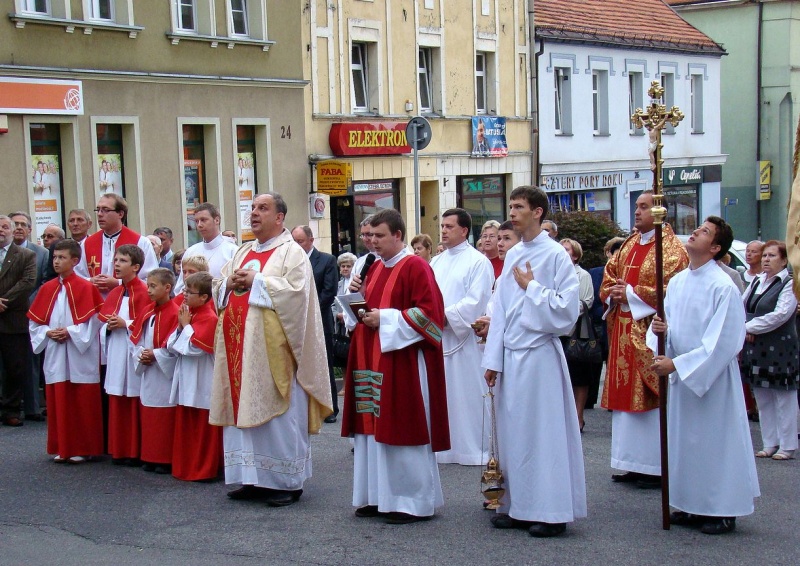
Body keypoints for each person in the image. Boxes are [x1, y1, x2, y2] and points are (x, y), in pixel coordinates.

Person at [211, 193, 332, 507]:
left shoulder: (292, 253)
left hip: (273, 352)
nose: (254, 214)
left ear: (280, 217)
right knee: (243, 411)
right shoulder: (242, 250)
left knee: (279, 415)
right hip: (241, 351)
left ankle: (286, 482)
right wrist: (228, 284)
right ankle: (252, 478)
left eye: (262, 208)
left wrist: (257, 280)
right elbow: (219, 284)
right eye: (252, 208)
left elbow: (298, 296)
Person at [482, 186, 585, 538]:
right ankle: (519, 506)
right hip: (512, 354)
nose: (512, 212)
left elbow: (567, 312)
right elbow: (501, 312)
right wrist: (493, 359)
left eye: (519, 206)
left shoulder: (556, 255)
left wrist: (533, 288)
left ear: (538, 212)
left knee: (543, 435)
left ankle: (551, 511)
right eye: (510, 205)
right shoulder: (512, 256)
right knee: (515, 435)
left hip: (540, 354)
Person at [648, 216, 760, 535]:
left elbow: (723, 340)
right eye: (698, 228)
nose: (695, 232)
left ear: (714, 248)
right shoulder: (680, 281)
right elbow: (675, 327)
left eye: (705, 232)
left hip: (711, 380)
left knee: (715, 443)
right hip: (684, 377)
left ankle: (722, 509)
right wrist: (663, 334)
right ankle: (692, 503)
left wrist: (679, 364)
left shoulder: (723, 285)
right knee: (687, 443)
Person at [342, 209, 449, 524]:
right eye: (370, 236)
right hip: (371, 359)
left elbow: (431, 316)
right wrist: (355, 300)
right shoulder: (374, 267)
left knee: (401, 426)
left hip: (402, 363)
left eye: (380, 236)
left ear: (398, 235)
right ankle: (376, 496)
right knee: (372, 431)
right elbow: (367, 311)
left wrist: (384, 318)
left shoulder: (415, 266)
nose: (372, 242)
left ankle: (410, 502)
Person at [600, 191, 688, 489]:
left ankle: (654, 466)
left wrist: (632, 294)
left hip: (649, 333)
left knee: (650, 399)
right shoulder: (628, 244)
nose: (637, 212)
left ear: (660, 211)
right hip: (623, 329)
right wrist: (614, 293)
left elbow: (672, 288)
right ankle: (630, 462)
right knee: (625, 402)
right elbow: (610, 275)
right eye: (636, 206)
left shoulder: (673, 250)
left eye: (644, 207)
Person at [27, 239, 104, 462]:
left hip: (80, 352)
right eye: (54, 257)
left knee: (81, 400)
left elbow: (94, 320)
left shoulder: (86, 287)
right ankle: (63, 446)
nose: (57, 261)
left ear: (75, 260)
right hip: (56, 351)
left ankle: (82, 447)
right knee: (59, 398)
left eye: (62, 257)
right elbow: (35, 322)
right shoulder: (47, 288)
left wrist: (70, 331)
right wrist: (48, 333)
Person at [430, 209, 494, 466]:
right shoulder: (436, 261)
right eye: (442, 226)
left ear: (464, 230)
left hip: (462, 339)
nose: (443, 230)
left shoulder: (478, 261)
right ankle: (442, 446)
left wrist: (445, 317)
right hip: (435, 337)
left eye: (449, 226)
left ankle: (471, 448)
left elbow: (476, 300)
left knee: (465, 395)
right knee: (440, 395)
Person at [740, 240, 798, 461]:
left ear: (784, 261)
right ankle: (770, 442)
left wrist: (746, 327)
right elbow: (740, 305)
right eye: (764, 256)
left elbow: (780, 315)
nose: (766, 259)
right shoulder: (756, 282)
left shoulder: (789, 284)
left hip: (781, 346)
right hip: (756, 346)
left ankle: (788, 444)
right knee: (762, 395)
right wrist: (742, 326)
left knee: (783, 396)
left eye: (772, 256)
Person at [99, 244, 151, 466]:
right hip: (117, 351)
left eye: (122, 261)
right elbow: (103, 322)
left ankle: (134, 450)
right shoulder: (116, 292)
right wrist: (109, 327)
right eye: (116, 260)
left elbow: (148, 323)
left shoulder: (144, 291)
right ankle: (119, 449)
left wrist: (126, 323)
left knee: (132, 398)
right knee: (117, 397)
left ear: (136, 267)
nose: (116, 265)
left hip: (133, 353)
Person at [168, 272, 222, 481]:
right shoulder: (189, 314)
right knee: (187, 424)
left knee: (202, 427)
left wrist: (185, 327)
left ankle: (203, 469)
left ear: (205, 297)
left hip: (202, 378)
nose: (184, 295)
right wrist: (183, 326)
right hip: (187, 375)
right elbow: (172, 345)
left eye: (190, 292)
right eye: (184, 290)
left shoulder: (210, 317)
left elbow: (197, 348)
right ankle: (186, 467)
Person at [130, 268, 180, 474]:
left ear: (167, 288)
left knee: (164, 415)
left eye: (153, 286)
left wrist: (156, 355)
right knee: (149, 412)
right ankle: (149, 455)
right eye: (148, 285)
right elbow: (135, 339)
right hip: (149, 369)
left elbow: (176, 345)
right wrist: (141, 353)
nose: (148, 290)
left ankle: (164, 458)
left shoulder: (176, 312)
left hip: (164, 371)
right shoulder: (147, 311)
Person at [291, 225, 340, 424]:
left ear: (310, 240)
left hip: (319, 320)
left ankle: (329, 408)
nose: (296, 246)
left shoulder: (326, 261)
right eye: (293, 241)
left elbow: (328, 293)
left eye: (300, 241)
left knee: (323, 362)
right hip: (295, 321)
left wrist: (308, 312)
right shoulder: (292, 262)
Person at [75, 194, 159, 294]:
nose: (100, 214)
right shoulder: (87, 243)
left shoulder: (141, 242)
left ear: (120, 214)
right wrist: (90, 281)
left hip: (128, 302)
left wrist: (119, 283)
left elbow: (151, 279)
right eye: (98, 210)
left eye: (105, 210)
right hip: (96, 304)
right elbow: (77, 275)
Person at [9, 211, 49, 421]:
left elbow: (43, 282)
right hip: (6, 313)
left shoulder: (41, 253)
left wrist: (30, 304)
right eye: (14, 224)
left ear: (30, 229)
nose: (18, 228)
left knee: (31, 362)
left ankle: (33, 407)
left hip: (33, 311)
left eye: (23, 224)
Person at [0, 215, 37, 427]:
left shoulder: (25, 255)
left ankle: (11, 410)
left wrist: (4, 301)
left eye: (5, 227)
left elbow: (28, 282)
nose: (1, 231)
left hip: (13, 317)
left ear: (12, 231)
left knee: (15, 367)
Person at [586, 237, 625, 409]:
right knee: (592, 362)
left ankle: (612, 397)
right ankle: (590, 398)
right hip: (596, 321)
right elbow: (594, 296)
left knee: (613, 360)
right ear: (609, 254)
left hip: (617, 322)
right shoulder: (595, 273)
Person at [560, 238, 594, 432]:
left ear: (575, 254)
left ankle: (578, 415)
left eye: (567, 250)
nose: (563, 253)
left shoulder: (583, 275)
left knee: (579, 375)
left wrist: (566, 310)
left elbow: (587, 301)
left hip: (576, 330)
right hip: (558, 332)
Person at [175, 203, 237, 293]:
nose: (199, 225)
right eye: (196, 221)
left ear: (216, 220)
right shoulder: (191, 251)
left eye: (203, 220)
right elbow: (181, 285)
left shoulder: (233, 251)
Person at [348, 215, 377, 290]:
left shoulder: (389, 260)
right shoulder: (359, 262)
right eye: (363, 235)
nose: (365, 239)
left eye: (369, 234)